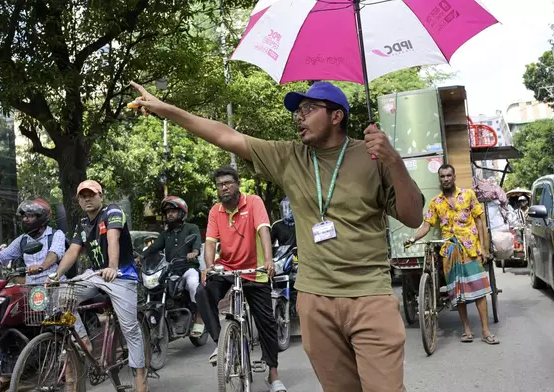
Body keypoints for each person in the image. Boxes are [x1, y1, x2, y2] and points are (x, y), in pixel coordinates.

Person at [130, 80, 424, 392]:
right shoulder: (289, 157)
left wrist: (394, 161)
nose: (299, 117)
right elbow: (224, 135)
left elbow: (412, 215)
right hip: (315, 300)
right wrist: (166, 110)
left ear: (336, 116)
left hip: (370, 296)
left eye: (309, 109)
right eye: (297, 111)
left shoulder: (373, 156)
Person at [0, 198, 88, 392]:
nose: (27, 219)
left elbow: (54, 254)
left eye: (32, 216)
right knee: (3, 312)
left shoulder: (55, 235)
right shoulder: (22, 240)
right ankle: (8, 368)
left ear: (42, 218)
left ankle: (79, 366)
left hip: (54, 287)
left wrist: (43, 266)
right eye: (25, 216)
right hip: (33, 294)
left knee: (68, 332)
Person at [195, 166, 286, 392]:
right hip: (227, 269)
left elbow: (264, 230)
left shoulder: (254, 202)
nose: (224, 187)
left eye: (228, 182)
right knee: (202, 291)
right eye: (220, 184)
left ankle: (273, 374)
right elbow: (209, 242)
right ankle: (221, 343)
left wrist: (269, 260)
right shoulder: (216, 211)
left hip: (255, 270)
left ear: (237, 183)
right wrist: (209, 267)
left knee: (266, 322)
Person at [55, 180, 148, 392]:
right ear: (78, 200)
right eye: (83, 196)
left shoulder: (113, 212)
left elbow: (113, 238)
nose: (87, 198)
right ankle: (84, 341)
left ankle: (140, 376)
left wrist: (113, 266)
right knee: (63, 294)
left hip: (122, 275)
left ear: (101, 196)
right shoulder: (82, 224)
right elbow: (73, 252)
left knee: (130, 328)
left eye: (92, 194)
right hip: (96, 275)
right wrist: (56, 275)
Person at [405, 164, 499, 345]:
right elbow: (427, 225)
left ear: (454, 177)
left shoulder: (468, 195)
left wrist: (484, 248)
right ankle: (467, 330)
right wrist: (413, 238)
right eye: (442, 176)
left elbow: (480, 221)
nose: (446, 179)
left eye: (449, 175)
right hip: (449, 251)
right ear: (440, 179)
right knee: (458, 292)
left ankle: (486, 331)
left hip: (470, 249)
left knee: (479, 291)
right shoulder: (436, 202)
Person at [141, 196, 204, 336]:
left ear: (181, 212)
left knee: (193, 284)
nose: (170, 214)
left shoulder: (191, 228)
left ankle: (199, 319)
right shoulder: (165, 234)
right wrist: (140, 257)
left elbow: (196, 244)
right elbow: (154, 248)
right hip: (170, 270)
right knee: (155, 287)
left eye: (173, 211)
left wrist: (194, 252)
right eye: (167, 212)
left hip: (188, 268)